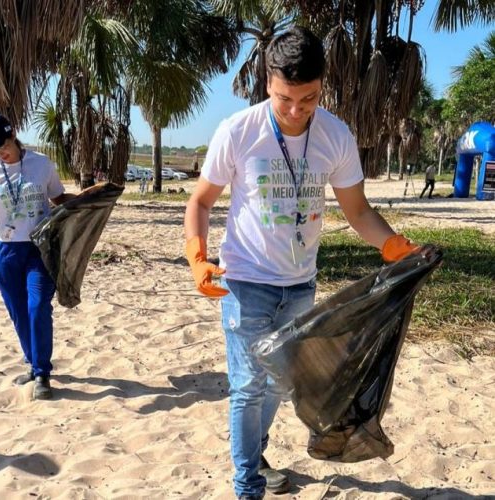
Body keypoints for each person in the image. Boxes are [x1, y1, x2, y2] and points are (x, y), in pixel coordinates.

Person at [184, 27, 420, 500]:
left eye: (308, 99)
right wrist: (197, 255)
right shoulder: (239, 131)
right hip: (245, 280)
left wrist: (391, 244)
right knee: (250, 385)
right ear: (268, 83)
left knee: (279, 385)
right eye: (283, 98)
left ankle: (257, 452)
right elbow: (201, 202)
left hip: (299, 285)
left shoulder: (335, 134)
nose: (295, 111)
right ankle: (246, 486)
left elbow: (357, 211)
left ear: (321, 87)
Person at [0, 113, 75, 400]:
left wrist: (88, 199)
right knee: (18, 313)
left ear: (12, 133)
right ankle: (32, 362)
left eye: (1, 143)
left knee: (38, 305)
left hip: (39, 249)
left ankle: (42, 373)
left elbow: (57, 199)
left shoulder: (41, 164)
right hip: (5, 250)